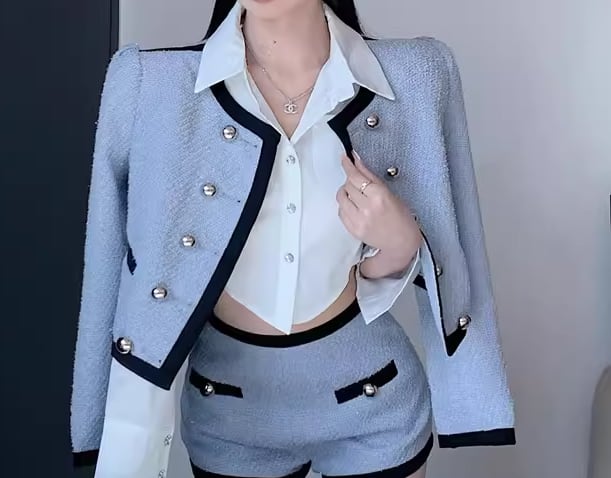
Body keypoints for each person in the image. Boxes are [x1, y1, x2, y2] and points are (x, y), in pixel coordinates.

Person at [70, 1, 516, 477]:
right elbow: (106, 266)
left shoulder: (417, 74)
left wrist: (401, 243)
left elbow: (457, 249)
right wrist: (97, 425)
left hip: (374, 398)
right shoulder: (150, 84)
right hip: (230, 413)